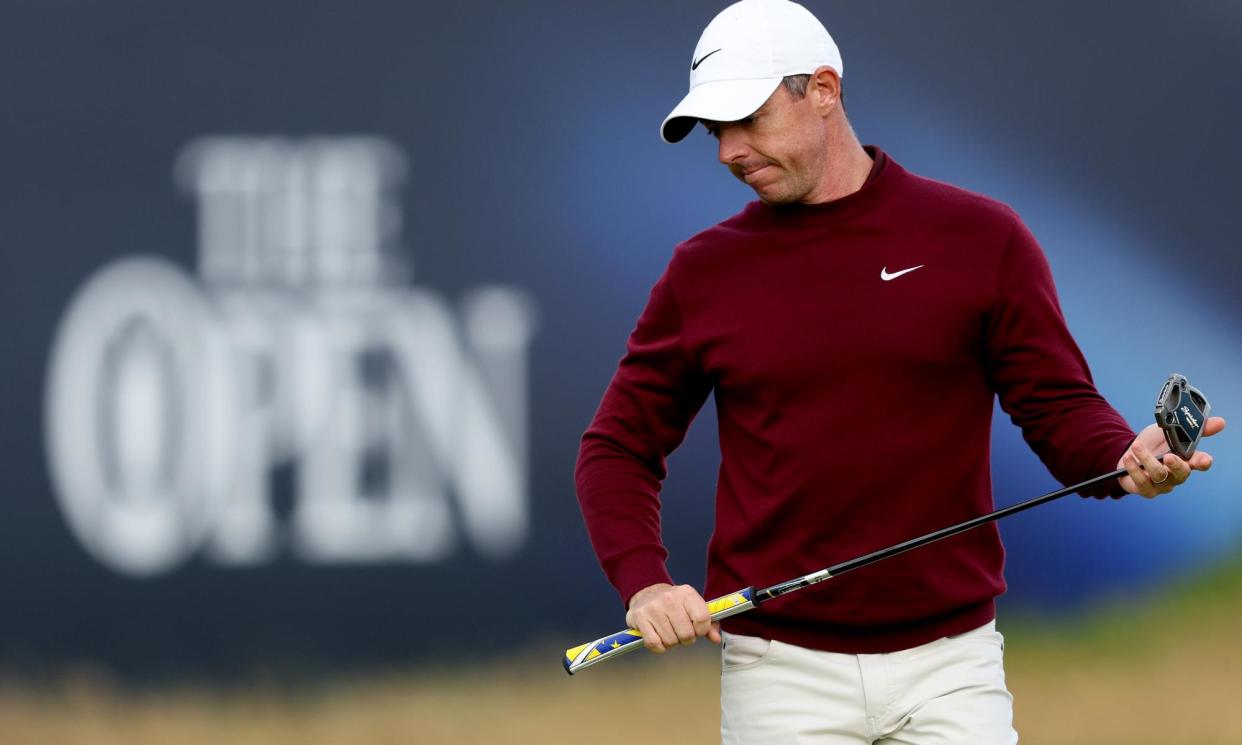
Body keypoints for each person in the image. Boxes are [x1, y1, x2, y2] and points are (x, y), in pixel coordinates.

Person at [573, 1, 1225, 742]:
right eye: (715, 131)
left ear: (822, 89)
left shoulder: (980, 237)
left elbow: (1057, 404)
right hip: (779, 674)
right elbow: (618, 447)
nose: (728, 150)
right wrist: (645, 579)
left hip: (952, 666)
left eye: (746, 120)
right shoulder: (704, 272)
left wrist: (1123, 457)